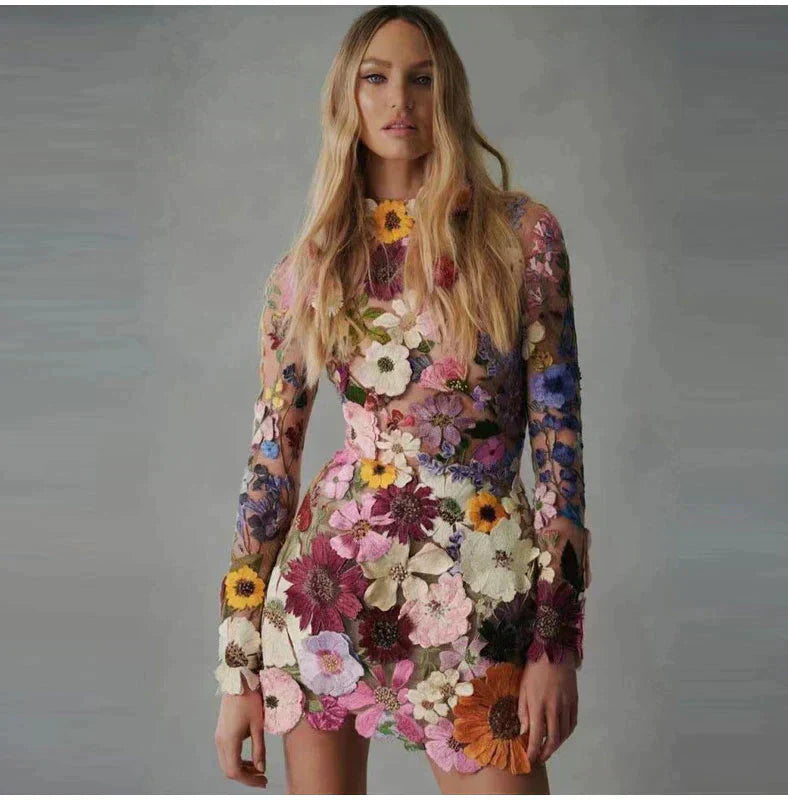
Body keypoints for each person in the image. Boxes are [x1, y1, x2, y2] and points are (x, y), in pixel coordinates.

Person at [213, 6, 591, 794]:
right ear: (346, 98)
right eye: (376, 79)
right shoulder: (309, 267)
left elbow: (559, 450)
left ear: (447, 92)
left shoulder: (519, 239)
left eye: (421, 79)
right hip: (326, 595)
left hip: (486, 593)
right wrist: (237, 669)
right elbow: (269, 468)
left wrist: (555, 644)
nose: (400, 101)